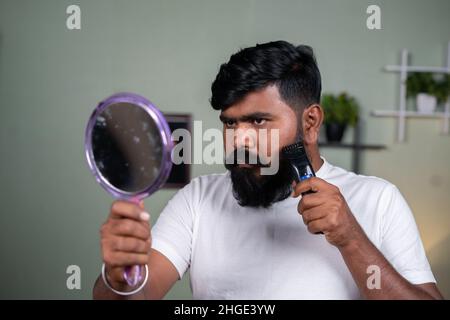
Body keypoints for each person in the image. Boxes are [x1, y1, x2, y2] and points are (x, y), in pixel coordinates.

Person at [93, 41, 443, 299]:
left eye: (258, 121)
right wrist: (119, 276)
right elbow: (138, 294)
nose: (238, 140)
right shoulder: (198, 199)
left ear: (310, 122)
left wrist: (351, 239)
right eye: (230, 124)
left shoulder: (377, 200)